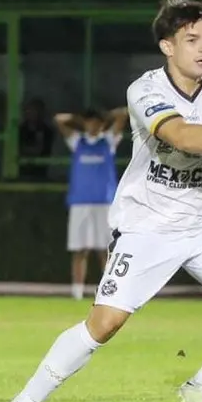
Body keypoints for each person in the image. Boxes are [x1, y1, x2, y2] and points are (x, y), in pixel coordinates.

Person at [0, 0, 202, 402]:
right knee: (104, 324)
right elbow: (182, 135)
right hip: (147, 225)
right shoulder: (145, 90)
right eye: (191, 39)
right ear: (167, 46)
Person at [56, 107, 127, 300]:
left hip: (104, 203)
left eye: (95, 121)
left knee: (105, 250)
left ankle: (108, 293)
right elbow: (60, 119)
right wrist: (79, 120)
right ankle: (77, 292)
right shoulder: (77, 141)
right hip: (80, 202)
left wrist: (106, 119)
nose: (92, 125)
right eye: (89, 121)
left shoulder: (108, 141)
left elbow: (123, 114)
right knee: (80, 250)